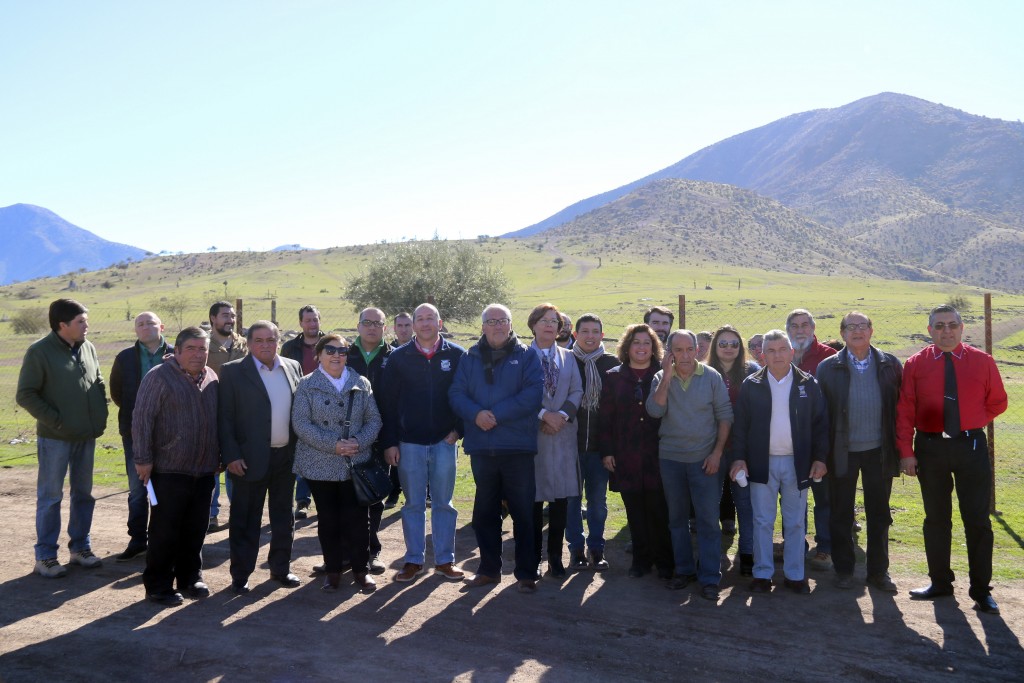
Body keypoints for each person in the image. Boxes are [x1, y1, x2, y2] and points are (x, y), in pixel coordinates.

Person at [897, 305, 1007, 614]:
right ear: (929, 330)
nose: (946, 331)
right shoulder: (916, 364)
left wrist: (969, 422)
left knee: (977, 520)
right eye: (940, 326)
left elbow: (998, 401)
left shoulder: (982, 362)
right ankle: (940, 583)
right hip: (930, 449)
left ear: (961, 328)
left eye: (952, 325)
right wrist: (906, 452)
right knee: (936, 519)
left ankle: (981, 591)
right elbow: (905, 409)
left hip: (971, 447)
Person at [449, 304, 544, 593]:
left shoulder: (527, 356)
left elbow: (533, 394)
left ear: (511, 324)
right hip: (482, 448)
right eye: (492, 321)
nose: (498, 325)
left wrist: (496, 414)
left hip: (517, 448)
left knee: (524, 512)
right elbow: (456, 393)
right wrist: (476, 415)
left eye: (503, 320)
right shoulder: (470, 357)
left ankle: (526, 572)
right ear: (483, 327)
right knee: (484, 513)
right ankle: (489, 569)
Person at [731, 330, 829, 595]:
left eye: (782, 349)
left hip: (798, 464)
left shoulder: (808, 383)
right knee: (762, 520)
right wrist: (739, 458)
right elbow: (740, 425)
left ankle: (795, 574)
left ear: (792, 352)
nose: (777, 355)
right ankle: (762, 573)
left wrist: (820, 459)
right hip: (761, 463)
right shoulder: (752, 384)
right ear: (763, 354)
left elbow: (820, 425)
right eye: (771, 350)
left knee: (795, 521)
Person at [17, 299, 108, 578]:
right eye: (81, 321)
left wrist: (100, 415)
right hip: (55, 438)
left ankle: (80, 548)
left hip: (85, 435)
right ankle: (45, 556)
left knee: (84, 495)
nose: (86, 325)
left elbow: (98, 381)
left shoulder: (88, 347)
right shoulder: (39, 352)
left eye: (86, 320)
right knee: (51, 497)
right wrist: (57, 421)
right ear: (62, 325)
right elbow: (26, 394)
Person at [132, 326, 219, 605]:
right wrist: (143, 459)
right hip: (169, 469)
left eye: (202, 349)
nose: (198, 354)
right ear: (177, 351)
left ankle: (190, 578)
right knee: (165, 531)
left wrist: (218, 456)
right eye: (191, 348)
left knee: (195, 529)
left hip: (204, 469)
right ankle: (158, 585)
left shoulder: (212, 378)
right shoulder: (158, 376)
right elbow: (142, 419)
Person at [380, 303, 467, 582]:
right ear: (413, 325)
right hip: (409, 444)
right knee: (413, 504)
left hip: (445, 442)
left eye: (431, 318)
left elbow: (468, 395)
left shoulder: (457, 355)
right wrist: (391, 442)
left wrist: (459, 430)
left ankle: (445, 561)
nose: (426, 323)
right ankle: (413, 560)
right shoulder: (398, 358)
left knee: (444, 503)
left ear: (439, 323)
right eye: (421, 319)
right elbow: (388, 404)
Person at [816, 312, 902, 592]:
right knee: (840, 513)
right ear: (842, 334)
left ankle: (878, 572)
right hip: (842, 452)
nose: (857, 331)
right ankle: (844, 570)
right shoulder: (828, 368)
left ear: (871, 331)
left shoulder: (890, 364)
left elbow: (901, 410)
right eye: (850, 327)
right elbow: (821, 415)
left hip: (880, 450)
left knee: (879, 514)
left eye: (862, 326)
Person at [292, 334, 382, 593]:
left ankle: (361, 571)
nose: (336, 355)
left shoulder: (360, 382)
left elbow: (373, 420)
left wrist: (357, 442)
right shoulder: (307, 384)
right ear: (318, 354)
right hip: (319, 463)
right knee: (328, 520)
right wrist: (334, 444)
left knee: (358, 521)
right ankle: (332, 571)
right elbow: (301, 424)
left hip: (354, 463)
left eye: (342, 351)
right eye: (330, 350)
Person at [218, 321, 304, 594]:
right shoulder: (232, 372)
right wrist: (231, 455)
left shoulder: (292, 367)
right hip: (247, 460)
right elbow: (225, 419)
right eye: (259, 340)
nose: (265, 345)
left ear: (279, 340)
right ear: (249, 342)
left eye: (271, 339)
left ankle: (281, 568)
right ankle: (241, 575)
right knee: (245, 519)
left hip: (285, 458)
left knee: (283, 517)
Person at [647, 329, 733, 601]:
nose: (684, 356)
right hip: (671, 459)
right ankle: (684, 570)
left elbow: (725, 417)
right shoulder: (661, 378)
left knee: (708, 521)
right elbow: (654, 410)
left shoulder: (711, 377)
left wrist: (717, 453)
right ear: (670, 353)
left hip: (704, 461)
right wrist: (667, 376)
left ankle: (709, 577)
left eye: (689, 349)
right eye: (678, 350)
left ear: (698, 350)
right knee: (677, 520)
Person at [599, 324, 672, 580]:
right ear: (627, 346)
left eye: (647, 343)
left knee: (658, 509)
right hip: (625, 454)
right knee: (635, 511)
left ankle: (665, 561)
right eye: (636, 342)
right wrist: (607, 451)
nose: (641, 348)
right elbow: (605, 418)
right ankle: (641, 561)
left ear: (654, 348)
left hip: (658, 454)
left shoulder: (663, 374)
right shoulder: (613, 376)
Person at [109, 312, 172, 562]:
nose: (146, 327)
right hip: (134, 432)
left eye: (151, 323)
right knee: (138, 489)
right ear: (136, 330)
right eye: (140, 324)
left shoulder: (177, 354)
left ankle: (164, 539)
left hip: (170, 433)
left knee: (167, 487)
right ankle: (137, 539)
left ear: (161, 326)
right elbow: (117, 394)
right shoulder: (124, 358)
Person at [527, 303, 583, 579]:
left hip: (562, 436)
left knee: (561, 501)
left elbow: (577, 390)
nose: (550, 325)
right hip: (534, 436)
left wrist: (560, 416)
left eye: (554, 321)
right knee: (534, 501)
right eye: (544, 320)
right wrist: (543, 416)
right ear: (534, 324)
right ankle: (534, 559)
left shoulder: (569, 356)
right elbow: (519, 392)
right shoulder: (522, 356)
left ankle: (555, 559)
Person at [567, 313, 620, 571]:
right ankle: (575, 549)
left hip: (601, 448)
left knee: (598, 501)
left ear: (602, 334)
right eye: (584, 331)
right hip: (571, 447)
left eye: (595, 331)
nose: (590, 336)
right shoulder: (566, 360)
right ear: (576, 335)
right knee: (571, 500)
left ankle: (597, 549)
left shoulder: (612, 364)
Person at [787, 308, 837, 570]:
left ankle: (825, 547)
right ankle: (796, 544)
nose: (800, 330)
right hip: (789, 439)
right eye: (794, 326)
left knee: (822, 495)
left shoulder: (829, 357)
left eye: (805, 325)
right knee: (794, 495)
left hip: (820, 437)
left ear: (813, 328)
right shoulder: (782, 355)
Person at [707, 324, 759, 577]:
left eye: (734, 344)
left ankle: (747, 554)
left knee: (746, 505)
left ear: (742, 348)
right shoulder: (703, 372)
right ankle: (712, 556)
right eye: (723, 343)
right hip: (712, 448)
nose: (729, 348)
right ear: (715, 347)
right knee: (710, 504)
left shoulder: (753, 373)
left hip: (744, 450)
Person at [346, 307, 393, 574]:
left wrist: (391, 441)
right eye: (367, 322)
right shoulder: (343, 353)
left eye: (378, 323)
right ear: (358, 325)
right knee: (343, 497)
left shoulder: (394, 357)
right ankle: (343, 553)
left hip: (379, 438)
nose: (372, 327)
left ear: (385, 328)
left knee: (373, 495)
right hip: (344, 440)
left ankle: (372, 551)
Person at [206, 301, 248, 531]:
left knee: (236, 463)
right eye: (224, 315)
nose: (230, 319)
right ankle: (211, 514)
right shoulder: (203, 345)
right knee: (211, 464)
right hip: (211, 412)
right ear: (213, 318)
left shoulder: (244, 344)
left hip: (239, 415)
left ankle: (238, 511)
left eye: (232, 315)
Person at [281, 304, 325, 520]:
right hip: (298, 405)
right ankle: (302, 502)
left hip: (326, 407)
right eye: (307, 320)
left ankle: (323, 502)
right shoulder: (290, 347)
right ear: (301, 323)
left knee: (322, 453)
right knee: (300, 454)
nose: (312, 324)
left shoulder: (330, 344)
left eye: (315, 319)